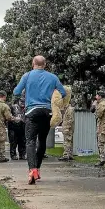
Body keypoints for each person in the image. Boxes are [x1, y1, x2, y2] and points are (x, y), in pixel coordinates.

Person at [14, 55, 66, 184]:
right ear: (45, 64)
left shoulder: (27, 76)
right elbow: (63, 93)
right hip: (47, 112)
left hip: (32, 111)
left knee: (30, 141)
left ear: (33, 63)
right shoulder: (53, 77)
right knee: (42, 141)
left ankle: (32, 169)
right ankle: (37, 167)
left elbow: (16, 92)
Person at [91, 90, 105, 167]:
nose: (96, 97)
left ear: (100, 96)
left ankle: (102, 159)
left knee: (101, 143)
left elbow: (98, 115)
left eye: (97, 96)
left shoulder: (102, 104)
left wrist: (95, 106)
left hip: (103, 126)